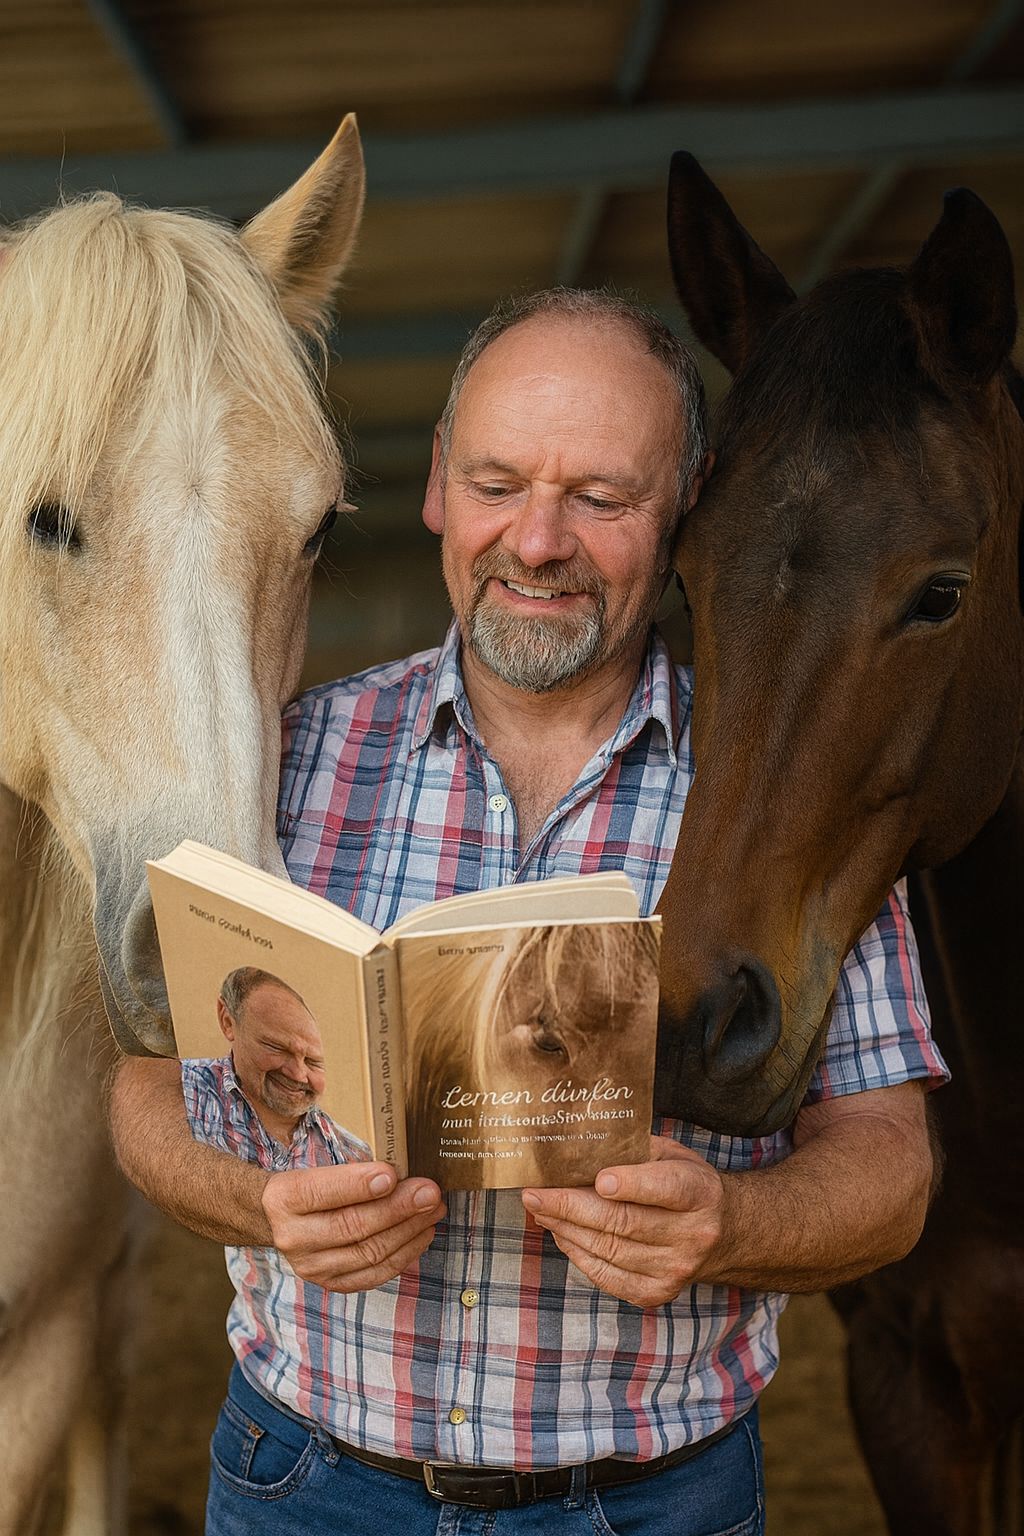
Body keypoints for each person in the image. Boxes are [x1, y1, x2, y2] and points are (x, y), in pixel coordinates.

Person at [110, 288, 947, 1536]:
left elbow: (891, 1167)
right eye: (498, 482)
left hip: (648, 1505)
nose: (537, 541)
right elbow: (144, 1096)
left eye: (600, 498)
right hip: (305, 1484)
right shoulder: (281, 758)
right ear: (441, 483)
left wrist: (732, 1224)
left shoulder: (778, 794)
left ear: (687, 508)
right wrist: (262, 1210)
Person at [189, 967, 363, 1167]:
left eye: (313, 1061)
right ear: (228, 1022)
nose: (298, 1074)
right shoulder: (186, 1093)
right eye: (276, 1048)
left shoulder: (350, 1152)